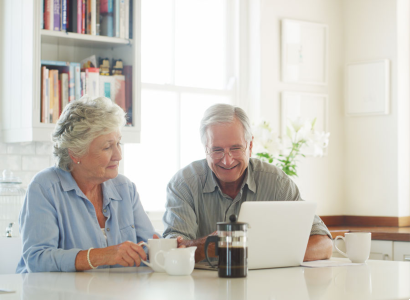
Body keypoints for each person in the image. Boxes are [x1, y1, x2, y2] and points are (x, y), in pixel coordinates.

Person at [163, 103, 333, 263]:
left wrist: (259, 254)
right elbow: (172, 249)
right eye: (217, 150)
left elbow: (323, 244)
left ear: (250, 146)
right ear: (205, 149)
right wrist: (208, 246)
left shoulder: (277, 183)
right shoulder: (183, 184)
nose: (227, 161)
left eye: (236, 148)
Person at [17, 97, 158, 273]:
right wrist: (101, 255)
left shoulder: (125, 188)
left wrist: (169, 249)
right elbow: (37, 260)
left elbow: (148, 246)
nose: (118, 155)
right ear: (76, 153)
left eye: (118, 143)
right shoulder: (45, 188)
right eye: (107, 147)